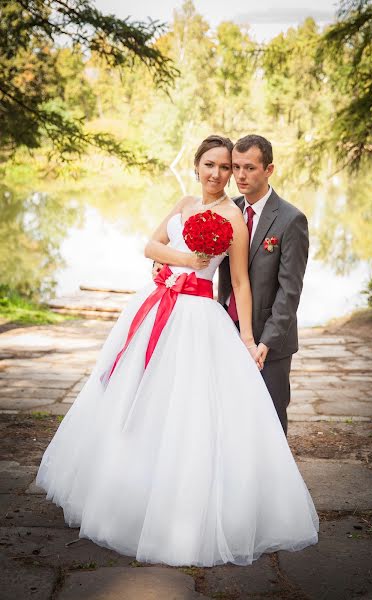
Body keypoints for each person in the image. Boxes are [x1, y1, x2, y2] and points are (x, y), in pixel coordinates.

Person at [36, 135, 318, 568]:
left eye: (228, 168)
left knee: (195, 410)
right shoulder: (184, 201)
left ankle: (198, 509)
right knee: (139, 397)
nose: (220, 174)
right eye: (213, 165)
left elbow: (240, 282)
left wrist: (247, 338)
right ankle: (126, 493)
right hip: (157, 308)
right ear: (196, 165)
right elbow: (150, 246)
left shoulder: (236, 218)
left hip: (201, 318)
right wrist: (178, 263)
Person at [219, 135, 309, 435]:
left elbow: (290, 291)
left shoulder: (291, 219)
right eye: (236, 167)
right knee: (228, 412)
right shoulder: (227, 210)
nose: (240, 176)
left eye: (250, 168)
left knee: (269, 417)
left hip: (271, 342)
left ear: (269, 169)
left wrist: (265, 342)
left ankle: (276, 481)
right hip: (226, 331)